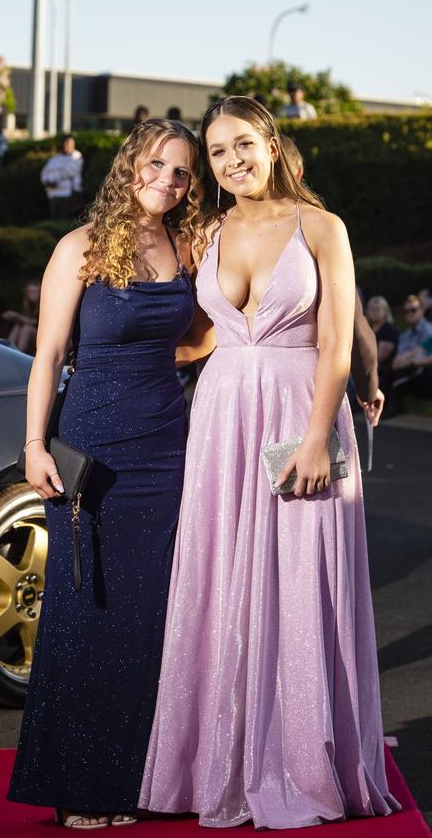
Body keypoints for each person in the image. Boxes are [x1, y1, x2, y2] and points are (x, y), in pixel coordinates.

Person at [139, 96, 399, 828]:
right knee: (222, 581)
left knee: (305, 585)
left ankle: (307, 762)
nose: (232, 161)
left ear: (273, 143)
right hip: (221, 420)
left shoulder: (322, 227)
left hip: (303, 417)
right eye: (218, 152)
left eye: (243, 144)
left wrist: (321, 435)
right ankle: (219, 759)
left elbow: (339, 342)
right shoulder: (210, 231)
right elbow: (196, 342)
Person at [7, 118, 200, 828]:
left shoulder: (186, 245)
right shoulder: (79, 246)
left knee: (152, 615)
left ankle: (135, 777)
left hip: (167, 447)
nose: (168, 181)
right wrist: (35, 444)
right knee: (85, 606)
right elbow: (49, 352)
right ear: (131, 164)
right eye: (158, 164)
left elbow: (203, 335)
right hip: (92, 443)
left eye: (182, 172)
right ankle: (79, 783)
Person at [280, 133, 384, 422]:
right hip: (306, 391)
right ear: (299, 173)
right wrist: (368, 386)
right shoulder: (318, 229)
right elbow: (352, 322)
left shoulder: (220, 230)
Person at [390, 294, 432, 401]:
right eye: (406, 311)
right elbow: (398, 360)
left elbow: (424, 356)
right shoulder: (404, 336)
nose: (409, 313)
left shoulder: (428, 330)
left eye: (413, 310)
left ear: (422, 311)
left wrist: (409, 361)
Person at [40, 135, 84, 220]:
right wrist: (48, 181)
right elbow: (44, 173)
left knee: (66, 223)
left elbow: (68, 172)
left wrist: (52, 178)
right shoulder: (55, 159)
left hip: (68, 195)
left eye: (70, 143)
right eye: (66, 143)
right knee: (54, 221)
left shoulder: (76, 156)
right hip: (52, 195)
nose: (67, 145)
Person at [2, 281, 40, 354]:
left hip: (40, 336)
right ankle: (6, 349)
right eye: (29, 292)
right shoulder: (25, 304)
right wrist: (10, 315)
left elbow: (36, 322)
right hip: (24, 333)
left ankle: (19, 354)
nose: (31, 295)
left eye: (34, 292)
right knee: (18, 325)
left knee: (27, 328)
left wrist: (17, 316)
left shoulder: (43, 305)